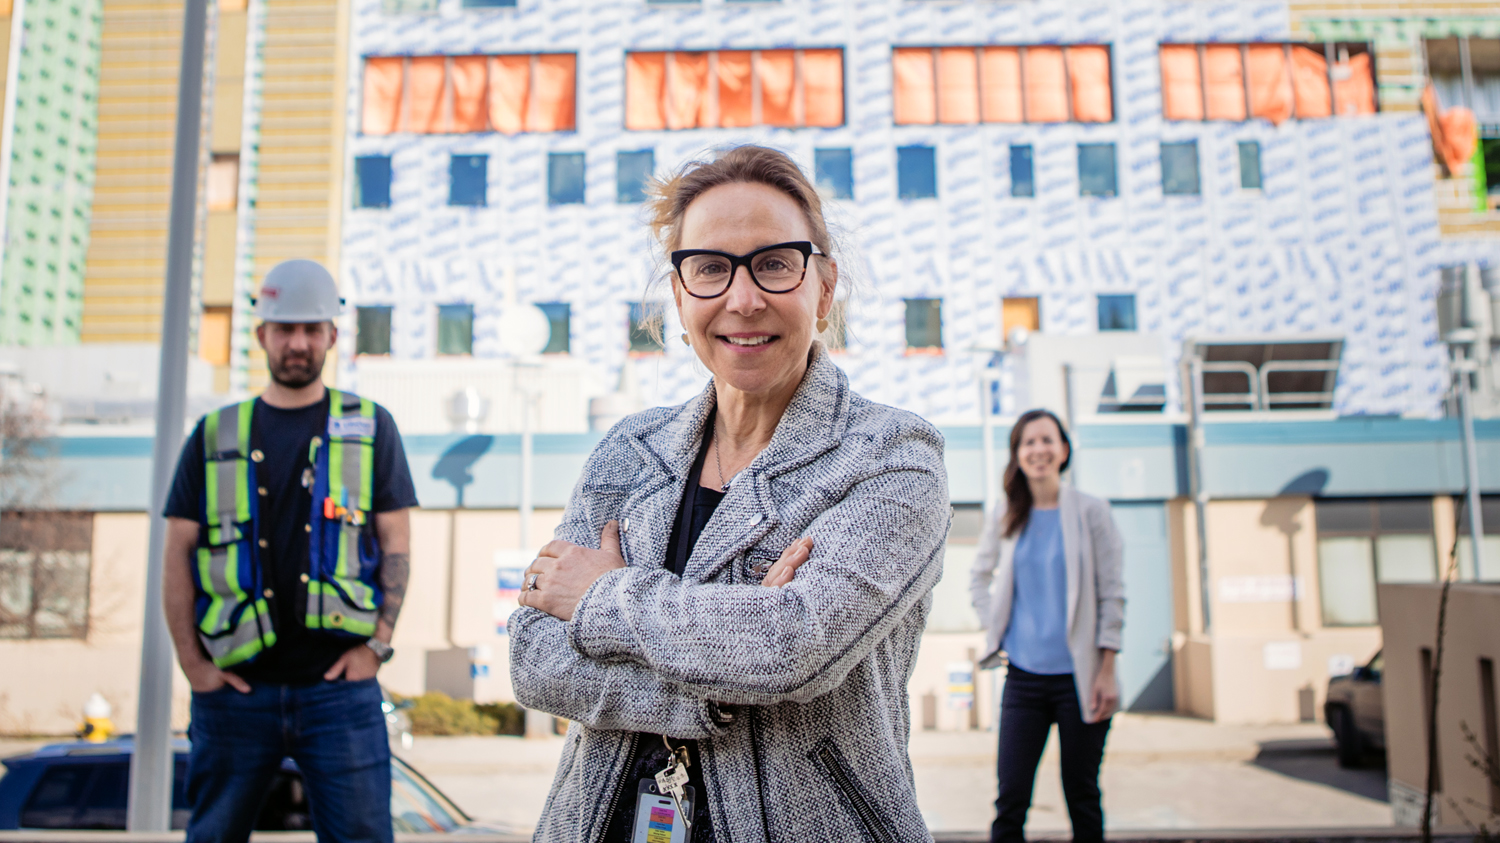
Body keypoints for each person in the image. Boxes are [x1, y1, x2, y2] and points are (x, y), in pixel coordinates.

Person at [509, 145, 950, 842]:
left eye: (774, 262)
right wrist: (713, 683)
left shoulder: (892, 458)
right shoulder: (628, 451)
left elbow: (789, 645)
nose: (743, 299)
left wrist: (604, 592)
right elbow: (534, 656)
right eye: (711, 268)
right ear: (681, 297)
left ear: (824, 288)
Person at [162, 259, 418, 843]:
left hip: (340, 694)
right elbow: (176, 553)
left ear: (332, 334)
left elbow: (396, 544)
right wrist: (194, 666)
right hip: (233, 692)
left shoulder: (372, 427)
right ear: (261, 336)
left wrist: (377, 646)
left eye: (311, 329)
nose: (298, 342)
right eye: (285, 329)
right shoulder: (212, 434)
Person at [969, 409, 1125, 843]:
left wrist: (1107, 671)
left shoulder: (1092, 512)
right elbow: (978, 577)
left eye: (1046, 440)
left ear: (1063, 449)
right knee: (1011, 800)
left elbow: (1112, 593)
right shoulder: (1006, 514)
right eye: (1028, 442)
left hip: (1082, 679)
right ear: (1017, 455)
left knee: (1082, 795)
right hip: (1023, 679)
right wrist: (995, 629)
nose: (1038, 449)